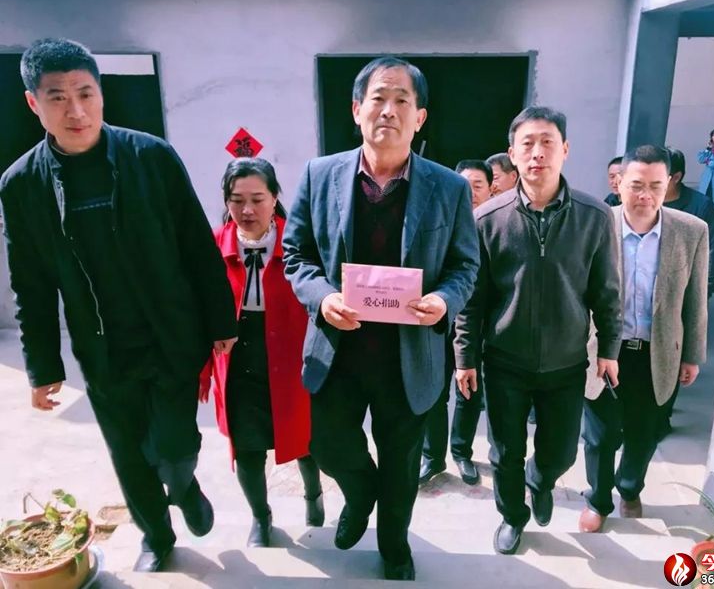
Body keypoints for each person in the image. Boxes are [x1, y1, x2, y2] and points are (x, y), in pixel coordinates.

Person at [0, 38, 238, 572]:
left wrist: (221, 321)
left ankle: (183, 484)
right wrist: (42, 367)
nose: (76, 110)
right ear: (33, 103)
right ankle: (156, 536)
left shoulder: (150, 156)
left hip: (170, 333)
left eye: (86, 93)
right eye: (58, 97)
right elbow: (30, 284)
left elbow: (197, 245)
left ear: (101, 93)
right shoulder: (21, 185)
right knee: (127, 452)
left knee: (174, 446)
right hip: (101, 345)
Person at [282, 56, 479, 581]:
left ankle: (394, 546)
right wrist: (323, 298)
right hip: (338, 349)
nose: (388, 110)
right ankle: (359, 492)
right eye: (378, 98)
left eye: (402, 101)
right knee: (327, 443)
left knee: (401, 462)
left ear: (420, 117)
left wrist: (444, 300)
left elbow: (465, 265)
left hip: (408, 355)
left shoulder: (449, 188)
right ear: (356, 110)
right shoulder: (319, 175)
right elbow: (296, 254)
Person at [454, 106, 622, 556]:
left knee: (561, 452)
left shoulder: (594, 216)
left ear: (565, 150)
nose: (537, 153)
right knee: (504, 452)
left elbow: (607, 290)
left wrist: (609, 348)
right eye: (527, 144)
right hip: (505, 361)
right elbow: (473, 299)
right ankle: (513, 516)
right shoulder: (488, 219)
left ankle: (540, 480)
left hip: (567, 362)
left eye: (547, 142)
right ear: (512, 154)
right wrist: (465, 357)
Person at [579, 145, 708, 533]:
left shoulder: (691, 231)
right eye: (636, 185)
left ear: (669, 184)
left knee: (644, 432)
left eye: (656, 186)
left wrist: (692, 355)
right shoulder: (595, 224)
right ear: (619, 183)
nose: (645, 195)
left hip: (658, 352)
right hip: (604, 350)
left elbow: (695, 300)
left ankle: (630, 488)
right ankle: (598, 500)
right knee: (599, 435)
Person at [200, 157, 324, 548]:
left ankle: (314, 496)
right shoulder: (212, 245)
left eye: (257, 199)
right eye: (237, 200)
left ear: (274, 198)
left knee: (303, 439)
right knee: (248, 446)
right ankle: (260, 516)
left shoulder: (299, 242)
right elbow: (198, 307)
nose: (247, 210)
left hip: (291, 356)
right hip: (238, 358)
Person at [418, 159, 491, 486]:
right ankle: (433, 456)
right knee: (434, 393)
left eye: (477, 186)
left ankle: (462, 451)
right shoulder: (441, 221)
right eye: (464, 186)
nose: (470, 193)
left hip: (478, 329)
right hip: (441, 322)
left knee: (469, 393)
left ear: (491, 189)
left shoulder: (494, 224)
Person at [666, 148, 714, 298]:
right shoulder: (642, 202)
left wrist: (701, 293)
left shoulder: (702, 207)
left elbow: (713, 253)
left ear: (676, 177)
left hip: (684, 293)